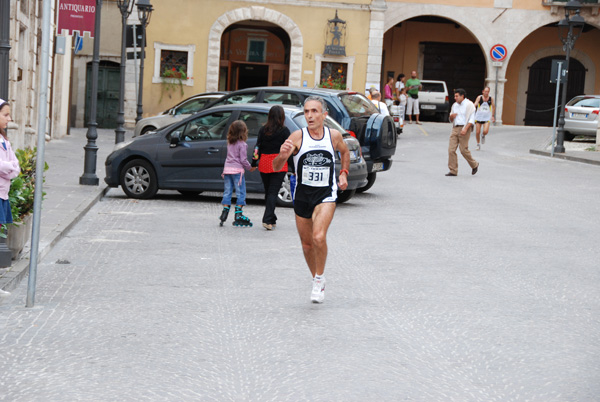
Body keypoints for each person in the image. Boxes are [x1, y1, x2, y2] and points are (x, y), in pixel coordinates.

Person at [272, 96, 350, 304]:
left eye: (314, 111)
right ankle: (316, 278)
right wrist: (282, 155)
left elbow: (345, 152)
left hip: (326, 194)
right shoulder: (298, 137)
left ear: (324, 115)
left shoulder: (333, 136)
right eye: (306, 112)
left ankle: (319, 279)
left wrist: (343, 173)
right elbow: (276, 167)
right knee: (307, 245)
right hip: (303, 196)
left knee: (318, 237)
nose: (309, 116)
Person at [254, 105, 290, 230]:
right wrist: (294, 167)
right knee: (273, 192)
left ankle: (272, 217)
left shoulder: (263, 130)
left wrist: (254, 162)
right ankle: (267, 219)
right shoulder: (284, 131)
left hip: (264, 162)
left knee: (269, 191)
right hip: (278, 163)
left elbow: (257, 147)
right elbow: (288, 150)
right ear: (282, 116)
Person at [219, 120, 256, 227]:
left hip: (227, 171)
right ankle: (238, 213)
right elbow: (243, 160)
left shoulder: (229, 143)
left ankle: (224, 212)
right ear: (243, 132)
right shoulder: (242, 145)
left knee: (227, 191)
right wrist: (250, 168)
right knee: (241, 192)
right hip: (237, 172)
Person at [446, 89, 479, 177]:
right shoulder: (454, 105)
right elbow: (451, 118)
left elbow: (472, 119)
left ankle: (474, 164)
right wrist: (451, 117)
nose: (455, 98)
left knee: (463, 150)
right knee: (451, 150)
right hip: (455, 128)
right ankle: (453, 170)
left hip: (465, 127)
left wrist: (465, 129)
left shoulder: (469, 105)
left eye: (457, 96)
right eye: (455, 96)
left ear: (462, 96)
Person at [0, 99, 21, 236]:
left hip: (2, 193)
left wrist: (8, 167)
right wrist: (9, 166)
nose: (10, 118)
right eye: (5, 115)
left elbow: (16, 166)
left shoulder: (4, 139)